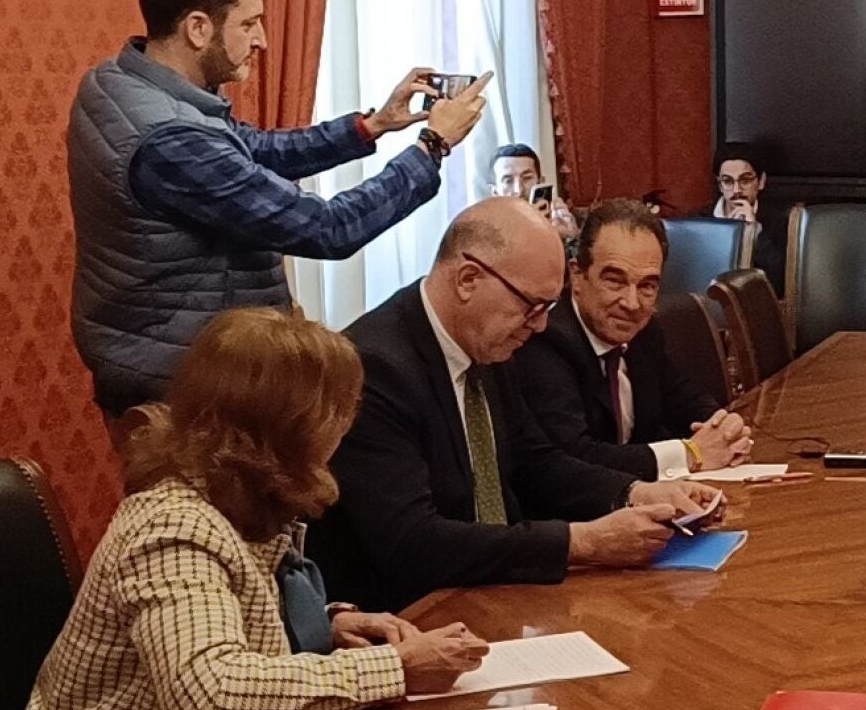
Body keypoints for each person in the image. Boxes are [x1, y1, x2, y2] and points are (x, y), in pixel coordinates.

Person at [14, 309, 490, 710]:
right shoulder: (173, 527)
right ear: (293, 426)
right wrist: (397, 667)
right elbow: (210, 696)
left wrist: (325, 623)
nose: (348, 426)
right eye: (341, 410)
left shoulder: (234, 494)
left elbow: (224, 609)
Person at [69, 0, 487, 443]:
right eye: (248, 24)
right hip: (186, 391)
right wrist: (433, 146)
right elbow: (328, 229)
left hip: (171, 362)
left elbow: (254, 150)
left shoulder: (121, 84)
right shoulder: (171, 140)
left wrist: (371, 126)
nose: (262, 39)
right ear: (198, 28)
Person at [305, 199, 723, 613]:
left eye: (548, 308)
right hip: (410, 614)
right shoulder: (373, 369)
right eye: (532, 306)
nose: (540, 325)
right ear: (468, 279)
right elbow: (411, 543)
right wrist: (582, 542)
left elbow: (535, 462)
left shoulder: (487, 341)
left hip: (497, 592)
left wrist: (635, 493)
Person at [508, 198, 754, 480]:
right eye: (615, 281)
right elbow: (573, 456)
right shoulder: (545, 342)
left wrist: (725, 430)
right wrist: (689, 454)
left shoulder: (644, 331)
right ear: (577, 276)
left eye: (647, 285)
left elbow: (686, 401)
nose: (632, 303)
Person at [706, 142, 787, 294]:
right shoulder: (701, 221)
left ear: (761, 181)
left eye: (745, 180)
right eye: (727, 181)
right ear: (719, 185)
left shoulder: (781, 222)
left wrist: (755, 232)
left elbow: (781, 282)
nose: (736, 190)